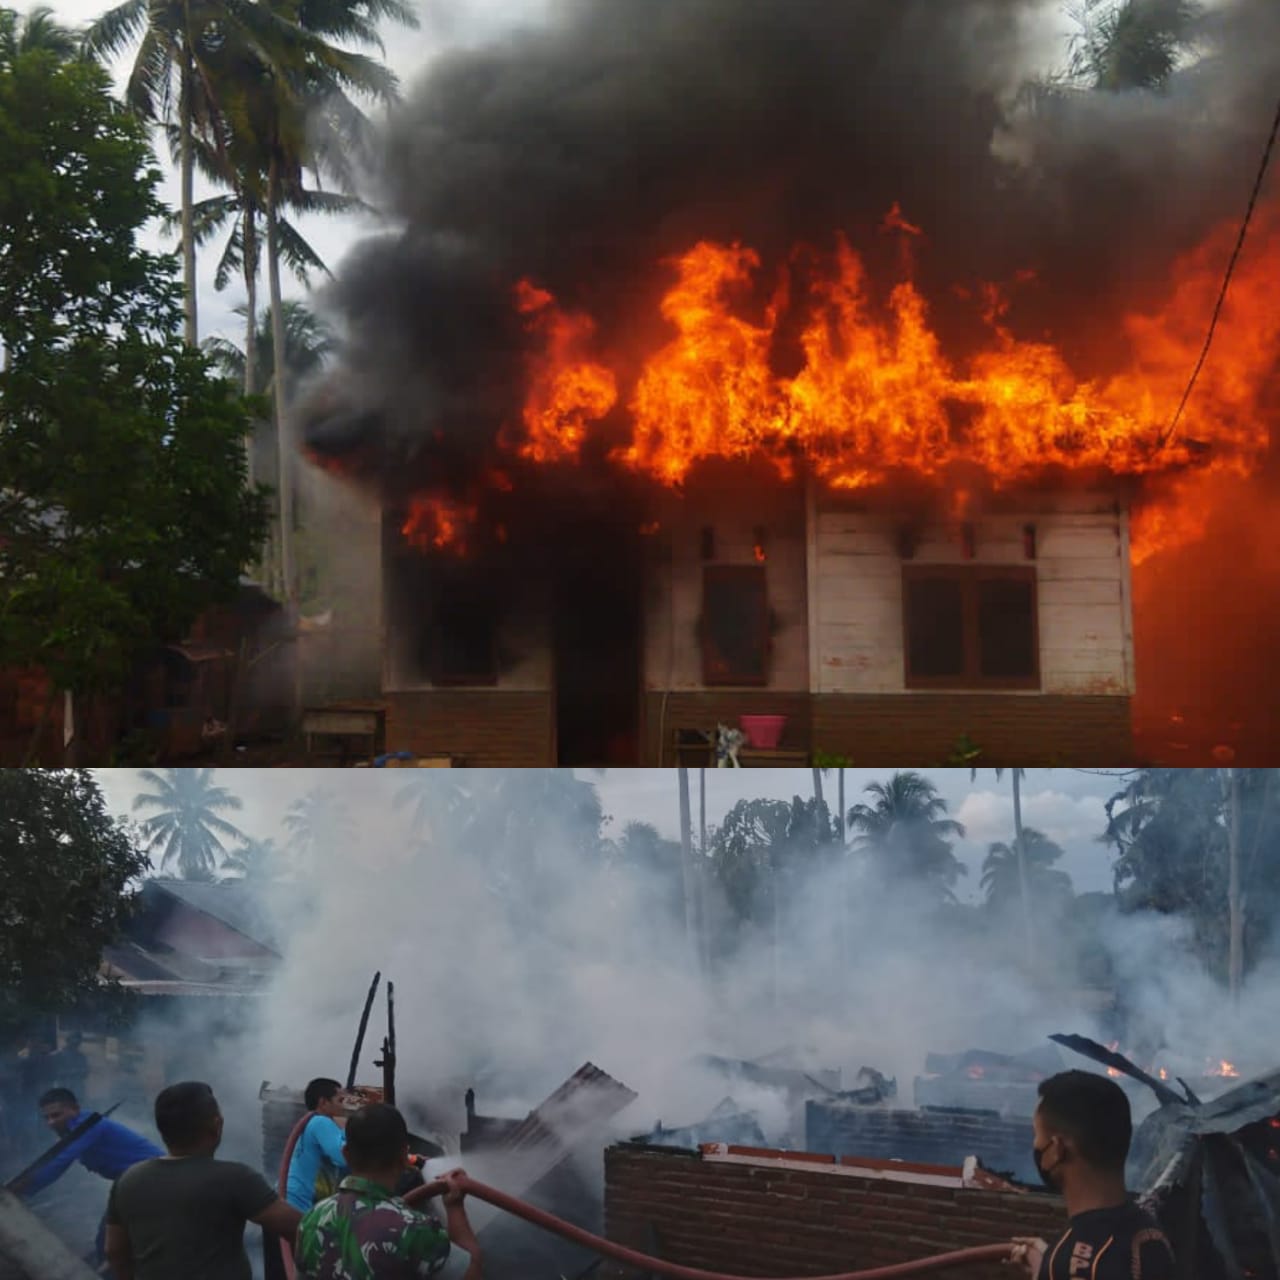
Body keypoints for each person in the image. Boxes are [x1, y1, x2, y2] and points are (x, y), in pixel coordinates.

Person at [104, 1080, 302, 1280]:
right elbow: (300, 1229)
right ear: (217, 1125)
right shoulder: (235, 1178)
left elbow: (115, 1252)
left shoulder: (127, 1180)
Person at [1009, 1071, 1176, 1280]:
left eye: (1037, 1135)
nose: (1035, 1145)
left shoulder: (1066, 1261)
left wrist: (1053, 1267)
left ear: (1056, 1150)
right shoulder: (1150, 1235)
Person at [296, 1102, 483, 1280]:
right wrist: (454, 1206)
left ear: (346, 1154)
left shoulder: (311, 1219)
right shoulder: (415, 1229)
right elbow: (470, 1273)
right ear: (404, 1156)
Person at [8, 1087, 162, 1270]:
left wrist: (25, 1188)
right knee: (110, 1240)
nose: (51, 1123)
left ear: (74, 1109)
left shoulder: (89, 1126)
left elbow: (61, 1161)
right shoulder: (78, 1129)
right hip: (136, 1182)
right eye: (47, 1118)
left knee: (109, 1241)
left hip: (149, 1179)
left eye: (56, 1115)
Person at [286, 1077, 351, 1212]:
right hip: (299, 1200)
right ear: (323, 1102)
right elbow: (343, 1157)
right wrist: (349, 1128)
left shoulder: (313, 1121)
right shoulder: (321, 1122)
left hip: (292, 1196)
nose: (343, 1105)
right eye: (339, 1100)